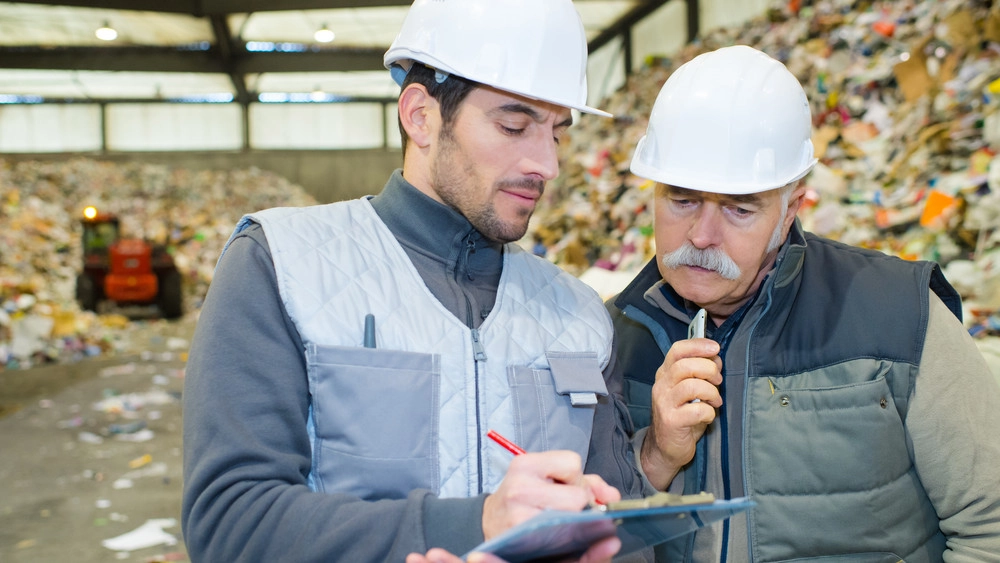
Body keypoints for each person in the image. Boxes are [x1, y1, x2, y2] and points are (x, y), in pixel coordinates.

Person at [181, 1, 648, 562]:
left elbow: (616, 524)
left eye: (557, 133)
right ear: (421, 116)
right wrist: (471, 524)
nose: (546, 164)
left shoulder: (578, 314)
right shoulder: (280, 265)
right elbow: (231, 522)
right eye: (515, 125)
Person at [608, 45, 1000, 561]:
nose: (702, 235)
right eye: (682, 199)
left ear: (791, 209)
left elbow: (989, 526)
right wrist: (655, 455)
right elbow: (589, 536)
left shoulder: (900, 315)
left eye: (739, 209)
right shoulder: (610, 336)